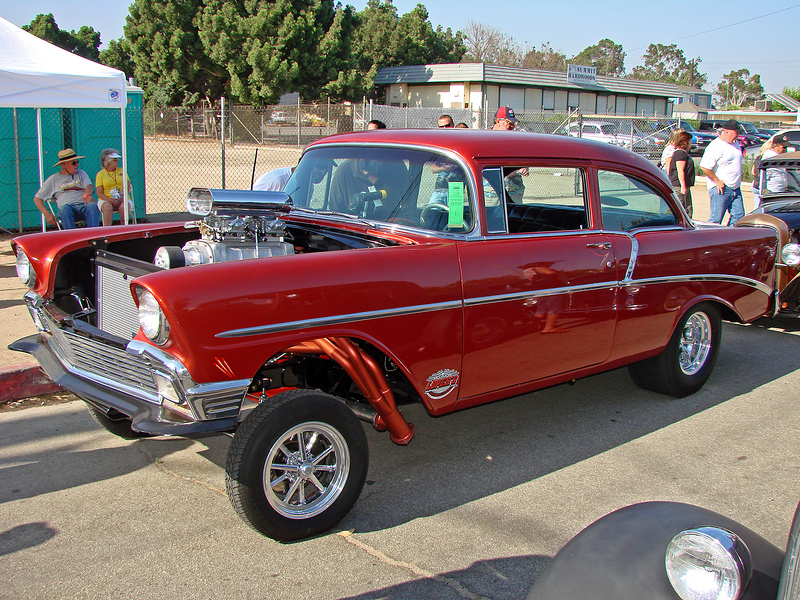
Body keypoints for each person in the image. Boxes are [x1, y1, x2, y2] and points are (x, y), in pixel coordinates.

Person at [34, 148, 101, 229]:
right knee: (64, 210)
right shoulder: (53, 179)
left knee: (92, 206)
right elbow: (37, 198)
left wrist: (86, 195)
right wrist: (46, 214)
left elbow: (89, 186)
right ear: (63, 165)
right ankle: (72, 238)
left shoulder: (81, 173)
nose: (77, 165)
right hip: (68, 208)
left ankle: (93, 236)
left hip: (83, 206)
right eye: (73, 163)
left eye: (77, 162)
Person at [700, 119, 744, 225]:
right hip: (721, 188)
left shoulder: (735, 144)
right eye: (735, 133)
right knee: (716, 218)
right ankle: (711, 238)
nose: (737, 136)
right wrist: (717, 181)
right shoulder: (716, 146)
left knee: (739, 215)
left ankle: (731, 236)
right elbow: (705, 167)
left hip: (735, 187)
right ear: (726, 131)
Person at [95, 148, 134, 226]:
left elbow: (128, 187)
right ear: (108, 161)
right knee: (107, 207)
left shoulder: (122, 171)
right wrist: (111, 200)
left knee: (123, 207)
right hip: (106, 199)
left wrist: (122, 198)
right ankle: (107, 231)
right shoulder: (100, 174)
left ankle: (124, 229)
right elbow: (99, 193)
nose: (118, 161)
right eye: (115, 160)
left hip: (123, 198)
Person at [667, 131, 695, 218]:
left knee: (687, 208)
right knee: (682, 209)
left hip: (681, 186)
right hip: (679, 186)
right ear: (685, 142)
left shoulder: (681, 153)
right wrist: (683, 186)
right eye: (690, 141)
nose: (691, 143)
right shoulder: (681, 154)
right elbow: (680, 170)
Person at [758, 133, 790, 198]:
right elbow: (764, 177)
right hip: (771, 191)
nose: (785, 150)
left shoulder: (778, 156)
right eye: (783, 147)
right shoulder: (770, 157)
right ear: (775, 146)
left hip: (780, 190)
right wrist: (764, 193)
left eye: (786, 147)